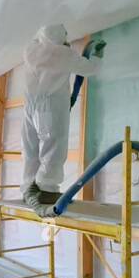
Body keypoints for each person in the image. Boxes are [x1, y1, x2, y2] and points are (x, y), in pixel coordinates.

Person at [21, 24, 104, 206]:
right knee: (54, 147)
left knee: (31, 149)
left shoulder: (30, 50)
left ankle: (29, 187)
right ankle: (47, 190)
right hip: (50, 106)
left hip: (29, 108)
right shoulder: (61, 54)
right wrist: (97, 55)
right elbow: (90, 69)